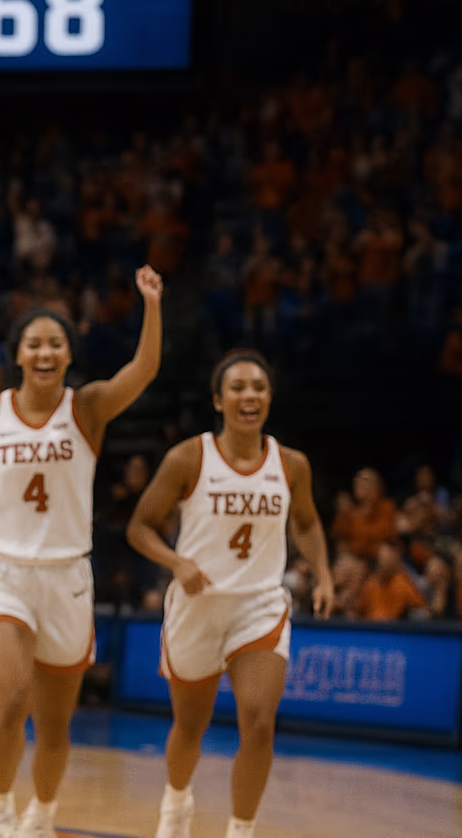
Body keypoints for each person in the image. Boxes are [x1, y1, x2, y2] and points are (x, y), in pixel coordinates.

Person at [0, 268, 164, 838]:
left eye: (56, 343)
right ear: (18, 355)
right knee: (12, 697)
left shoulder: (88, 408)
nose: (45, 352)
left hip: (67, 579)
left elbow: (144, 370)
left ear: (68, 355)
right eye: (35, 343)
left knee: (56, 725)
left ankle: (42, 817)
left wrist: (151, 306)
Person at [127, 351, 334, 838]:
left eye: (259, 387)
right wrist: (176, 562)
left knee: (259, 722)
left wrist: (323, 574)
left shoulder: (291, 464)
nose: (250, 396)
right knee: (190, 728)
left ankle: (241, 829)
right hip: (197, 607)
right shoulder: (188, 457)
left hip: (258, 606)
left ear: (270, 398)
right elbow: (140, 527)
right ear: (219, 400)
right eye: (238, 388)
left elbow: (305, 522)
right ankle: (176, 802)